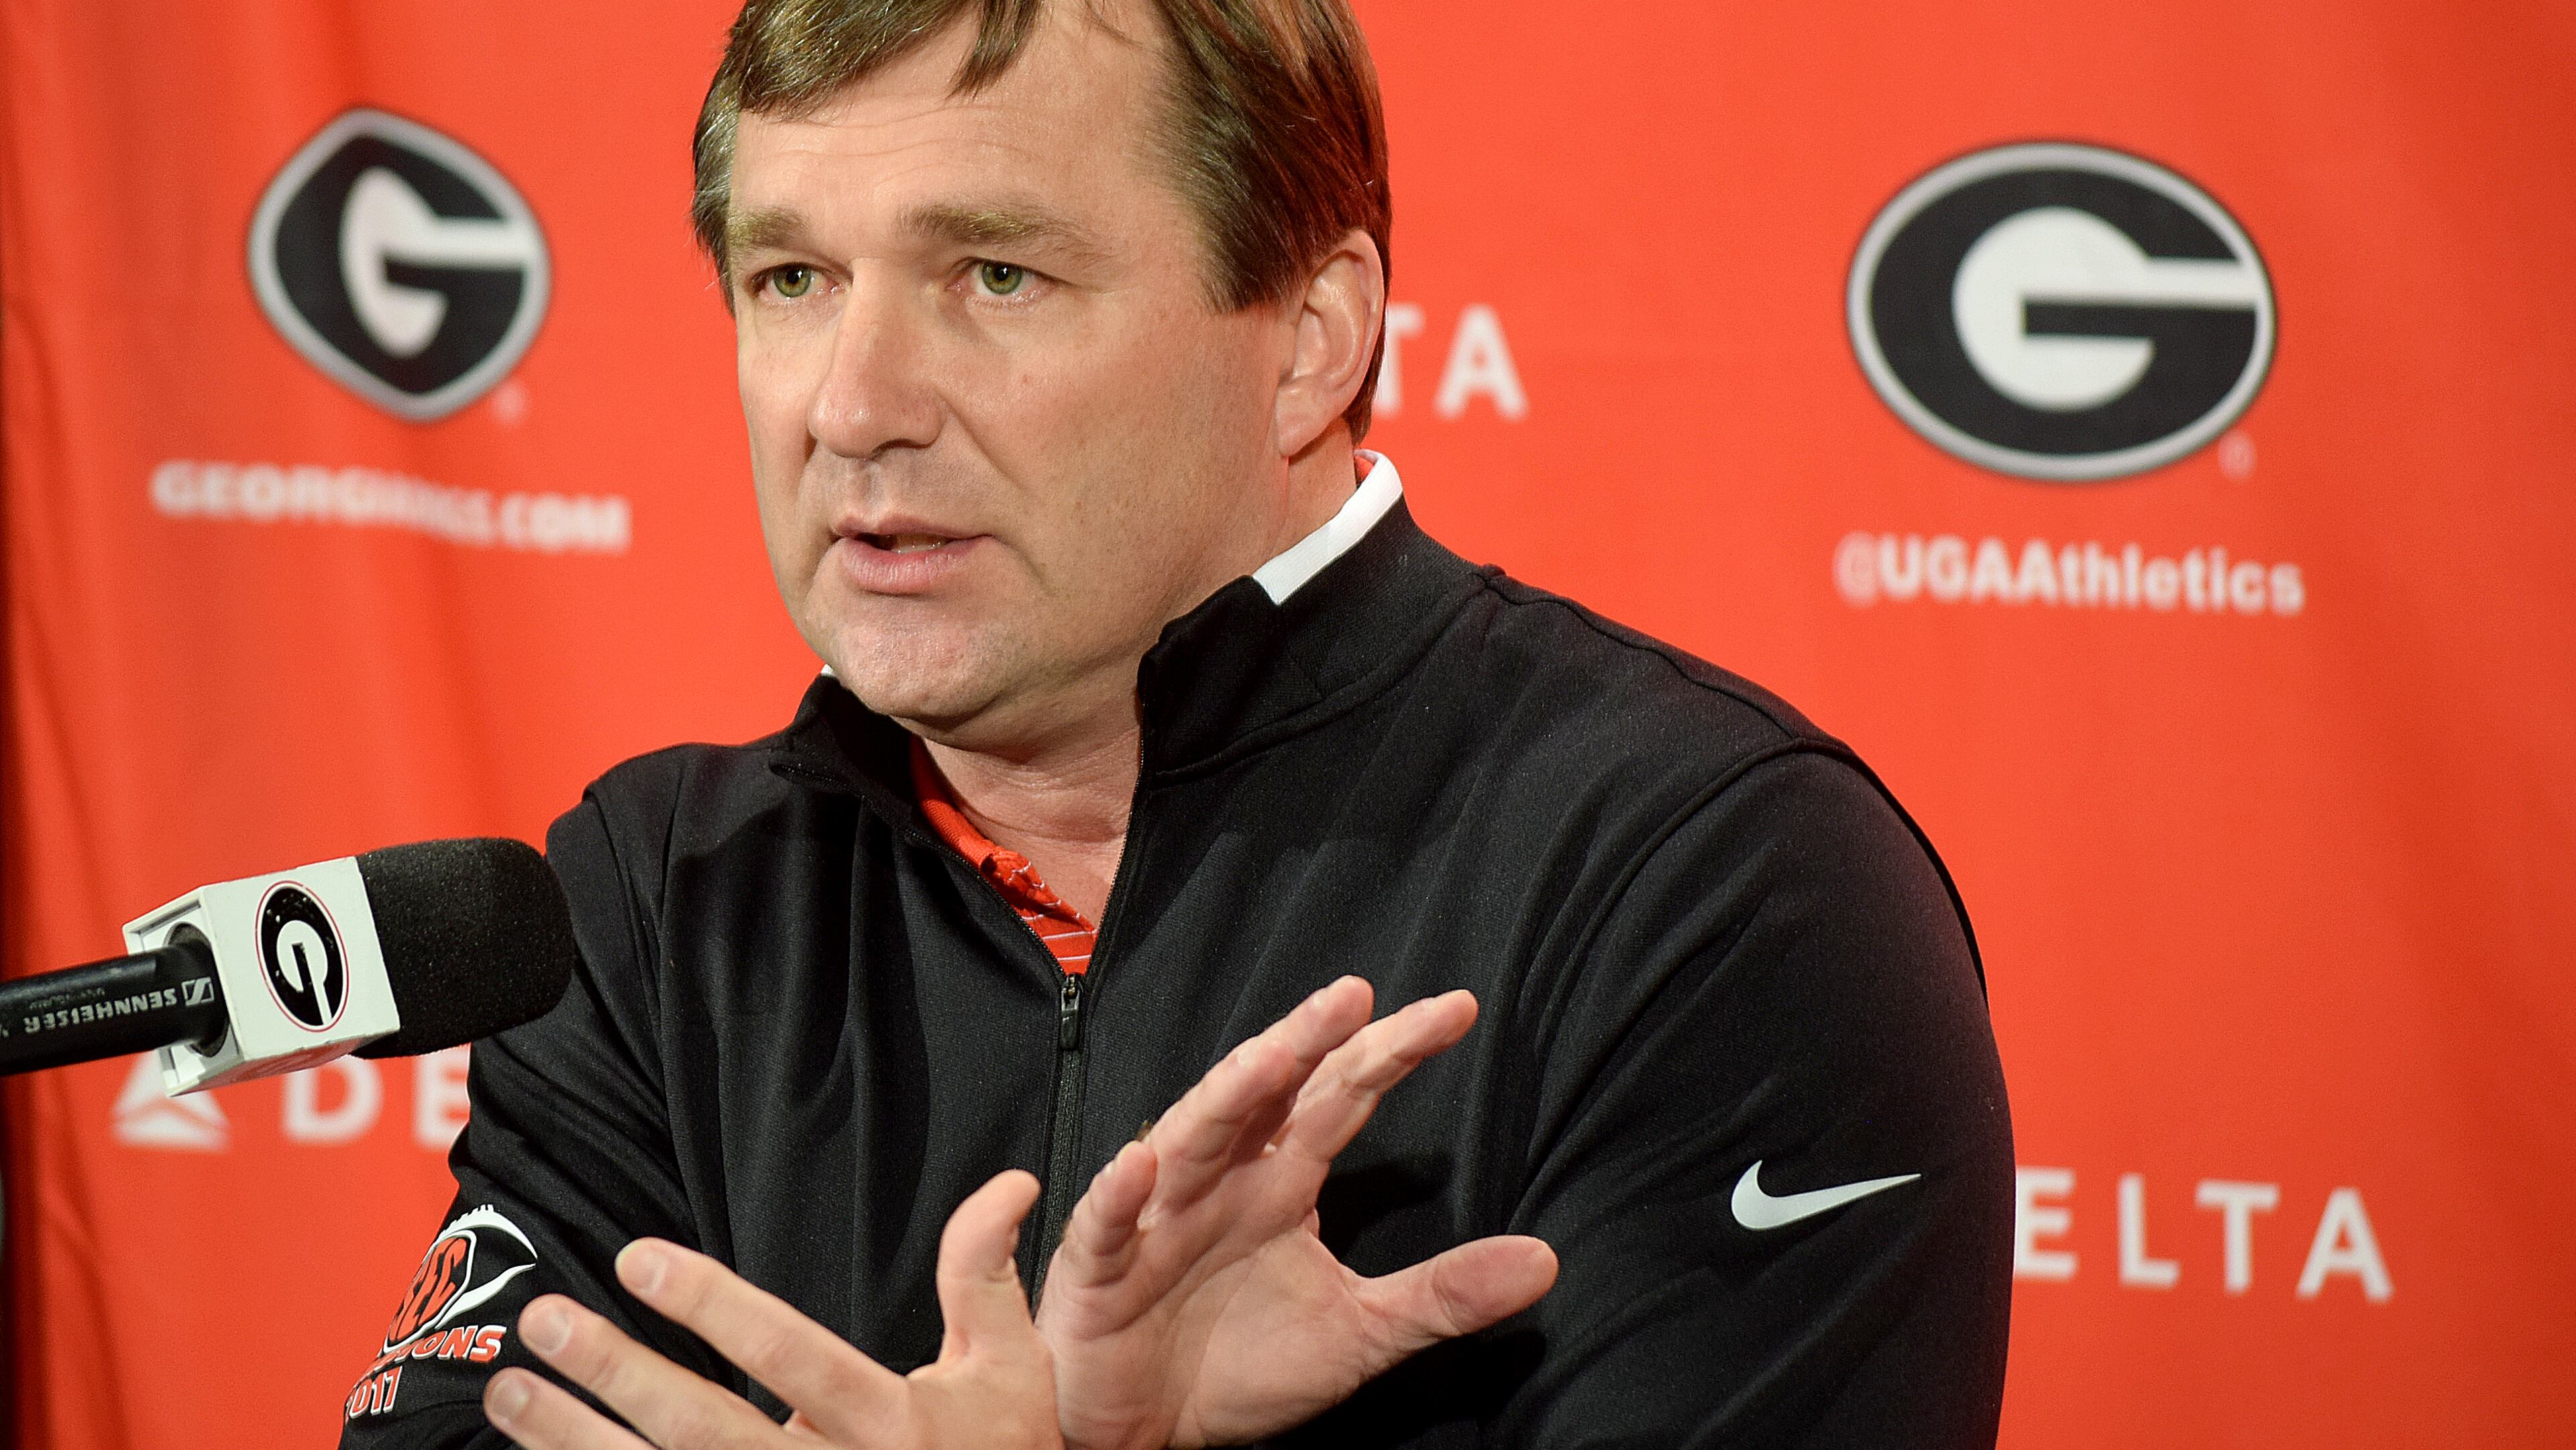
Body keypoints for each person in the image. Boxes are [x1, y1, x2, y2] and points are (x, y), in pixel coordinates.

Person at [340, 0, 2014, 1445]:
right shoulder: (660, 898)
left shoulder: (1707, 884)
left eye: (995, 273)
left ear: (1309, 340)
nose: (852, 406)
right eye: (791, 277)